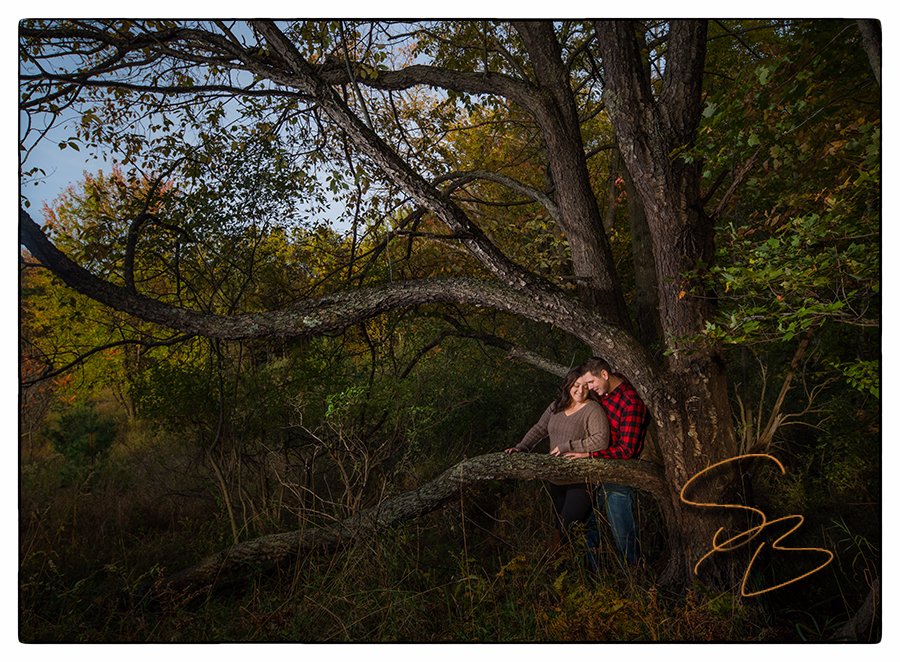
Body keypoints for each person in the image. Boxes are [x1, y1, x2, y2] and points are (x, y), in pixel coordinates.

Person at [505, 367, 610, 552]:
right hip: (556, 478)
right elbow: (539, 429)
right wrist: (521, 447)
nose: (581, 390)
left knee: (566, 525)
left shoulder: (593, 409)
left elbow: (601, 440)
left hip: (582, 478)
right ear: (568, 385)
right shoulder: (556, 407)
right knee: (561, 526)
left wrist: (567, 446)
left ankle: (554, 561)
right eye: (576, 385)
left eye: (586, 386)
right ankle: (572, 568)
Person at [558, 357, 650, 567]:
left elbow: (627, 450)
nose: (589, 388)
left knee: (622, 533)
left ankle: (635, 574)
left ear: (605, 375)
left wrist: (589, 455)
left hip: (619, 474)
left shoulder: (630, 402)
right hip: (598, 472)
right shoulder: (605, 393)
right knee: (589, 524)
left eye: (591, 383)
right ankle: (594, 573)